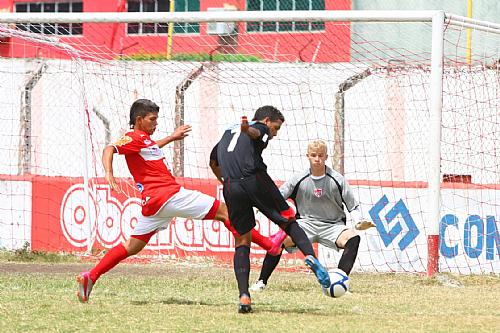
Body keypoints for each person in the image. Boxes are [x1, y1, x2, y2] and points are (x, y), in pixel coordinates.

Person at [76, 99, 284, 303]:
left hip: (153, 205)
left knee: (132, 246)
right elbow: (110, 148)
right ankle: (270, 246)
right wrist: (109, 173)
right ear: (139, 120)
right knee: (226, 212)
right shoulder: (132, 136)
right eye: (152, 119)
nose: (155, 123)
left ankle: (91, 276)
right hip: (168, 195)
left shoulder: (142, 139)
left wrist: (171, 137)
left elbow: (149, 147)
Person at [211, 106, 331, 314]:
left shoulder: (227, 132)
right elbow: (257, 132)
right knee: (288, 220)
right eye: (275, 128)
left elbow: (213, 161)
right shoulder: (259, 127)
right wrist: (249, 129)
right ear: (267, 120)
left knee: (242, 239)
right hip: (254, 180)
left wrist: (224, 180)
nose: (274, 134)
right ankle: (311, 257)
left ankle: (244, 295)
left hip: (231, 186)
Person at [250, 139, 375, 292]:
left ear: (326, 157)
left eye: (321, 155)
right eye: (314, 155)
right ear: (307, 156)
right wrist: (261, 205)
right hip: (304, 225)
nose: (317, 159)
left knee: (354, 239)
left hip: (333, 225)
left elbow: (353, 206)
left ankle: (340, 282)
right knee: (278, 241)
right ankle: (261, 281)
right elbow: (278, 196)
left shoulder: (337, 179)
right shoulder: (298, 178)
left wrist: (359, 221)